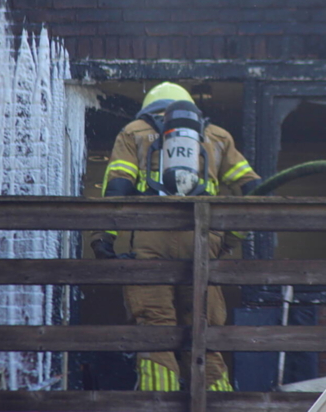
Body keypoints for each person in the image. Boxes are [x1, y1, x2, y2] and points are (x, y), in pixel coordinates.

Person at [90, 82, 261, 392]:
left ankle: (158, 402)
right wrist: (230, 240)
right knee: (204, 332)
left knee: (156, 327)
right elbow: (252, 191)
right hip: (203, 237)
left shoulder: (133, 132)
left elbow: (117, 187)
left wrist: (104, 236)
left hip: (151, 235)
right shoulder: (218, 136)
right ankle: (217, 405)